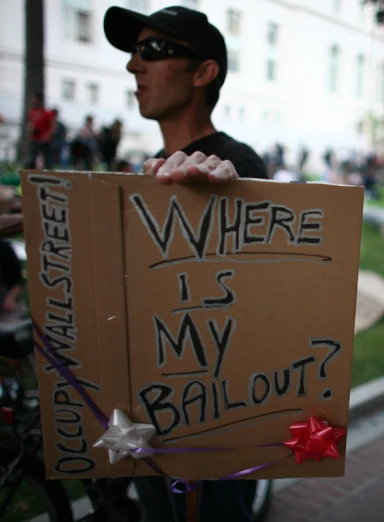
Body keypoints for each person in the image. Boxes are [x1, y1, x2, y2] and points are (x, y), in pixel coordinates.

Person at [104, 4, 267, 521]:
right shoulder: (145, 174)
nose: (134, 65)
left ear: (203, 72)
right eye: (134, 52)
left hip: (210, 426)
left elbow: (259, 293)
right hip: (145, 415)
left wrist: (226, 188)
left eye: (151, 51)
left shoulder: (236, 167)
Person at [27, 95, 54, 170]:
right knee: (32, 158)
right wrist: (31, 129)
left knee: (47, 158)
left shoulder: (47, 113)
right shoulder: (32, 112)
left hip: (44, 140)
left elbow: (52, 127)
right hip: (34, 139)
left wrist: (47, 135)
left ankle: (48, 171)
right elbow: (30, 124)